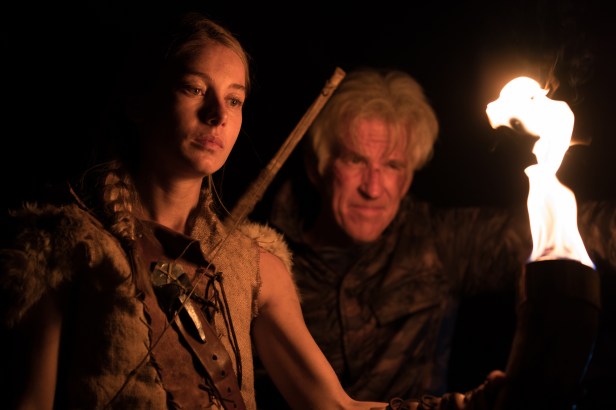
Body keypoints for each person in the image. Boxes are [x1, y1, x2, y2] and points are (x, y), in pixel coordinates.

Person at [0, 10, 507, 410]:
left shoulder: (255, 266)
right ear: (139, 101)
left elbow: (335, 406)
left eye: (235, 100)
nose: (217, 115)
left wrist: (463, 407)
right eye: (194, 88)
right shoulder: (63, 248)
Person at [252, 67, 616, 408]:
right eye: (355, 161)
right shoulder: (258, 260)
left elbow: (577, 227)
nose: (373, 188)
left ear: (408, 178)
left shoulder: (436, 242)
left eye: (392, 165)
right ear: (317, 166)